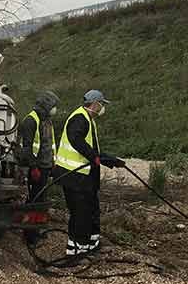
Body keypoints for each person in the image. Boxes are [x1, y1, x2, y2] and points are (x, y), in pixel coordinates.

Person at [54, 89, 124, 256]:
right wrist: (94, 157)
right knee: (80, 212)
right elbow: (76, 139)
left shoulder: (88, 120)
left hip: (85, 177)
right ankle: (75, 248)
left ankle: (91, 242)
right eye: (101, 104)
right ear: (94, 104)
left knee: (91, 209)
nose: (102, 108)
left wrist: (111, 160)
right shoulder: (79, 118)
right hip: (74, 176)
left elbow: (92, 149)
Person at [17, 90, 60, 244]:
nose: (54, 109)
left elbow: (50, 143)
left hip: (45, 166)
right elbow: (26, 147)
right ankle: (29, 234)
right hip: (35, 168)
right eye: (52, 106)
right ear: (45, 105)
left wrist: (53, 162)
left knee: (41, 200)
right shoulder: (31, 120)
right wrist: (33, 167)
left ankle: (37, 229)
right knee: (33, 200)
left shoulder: (47, 120)